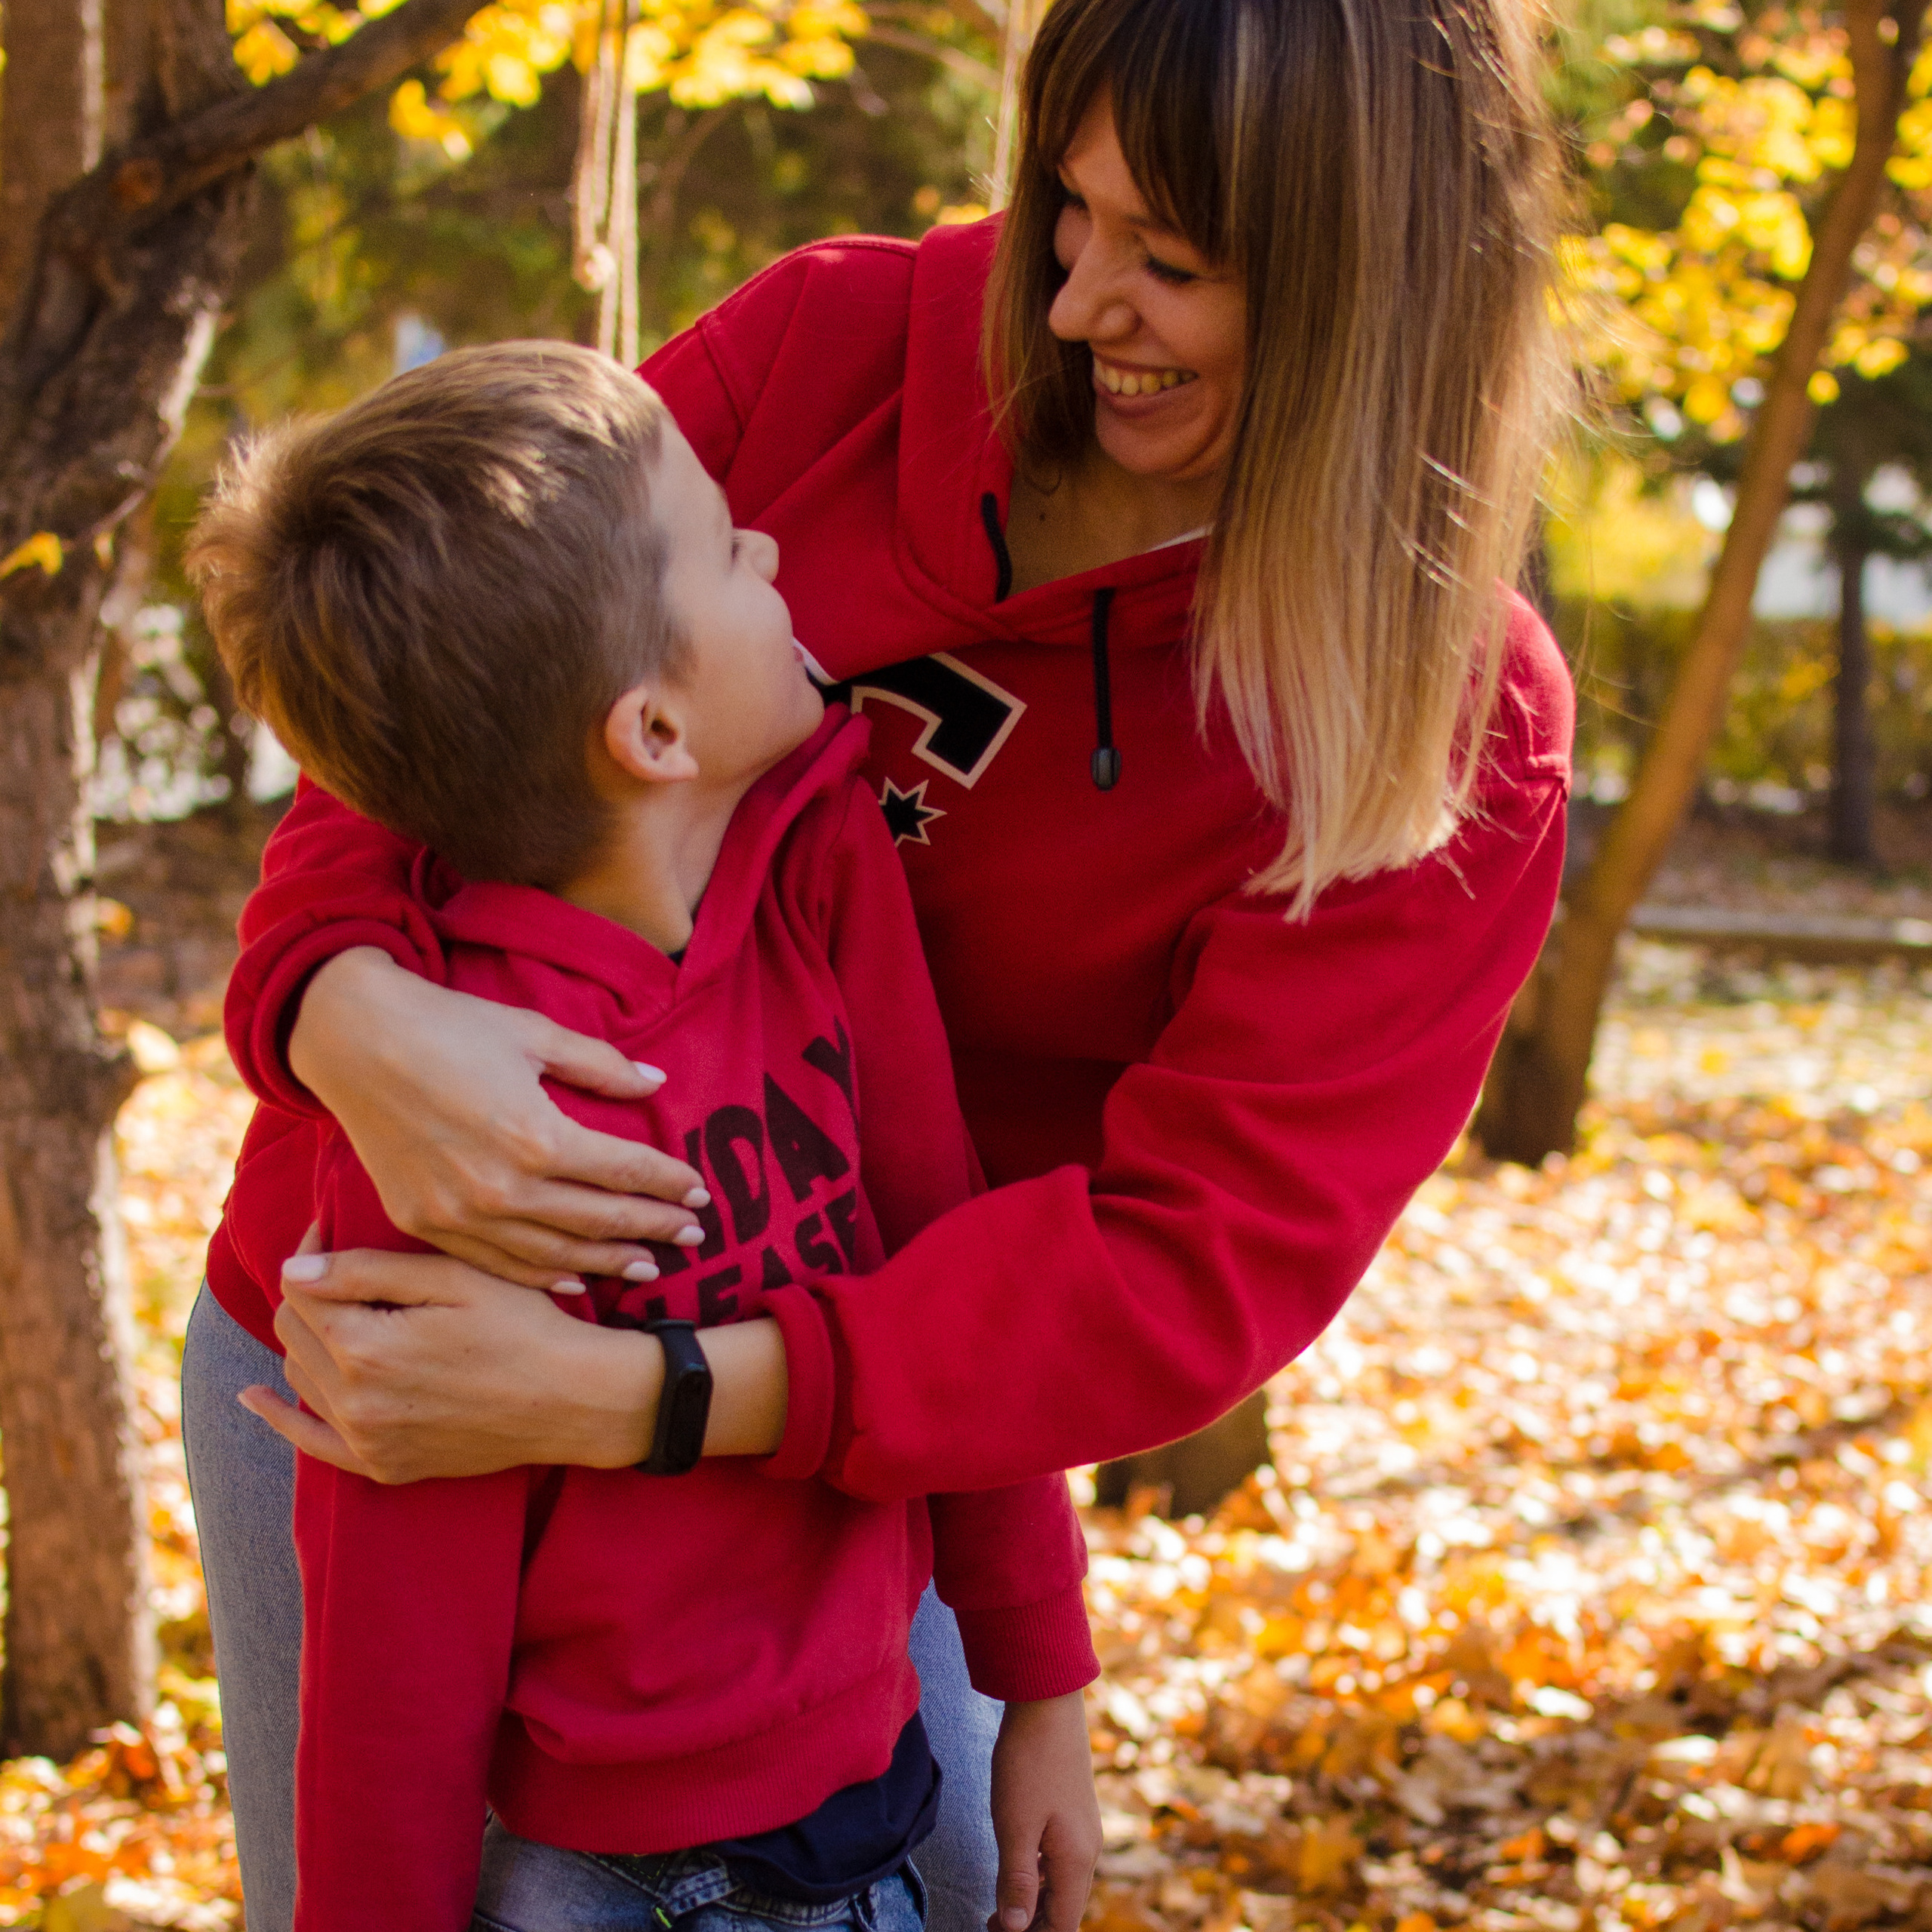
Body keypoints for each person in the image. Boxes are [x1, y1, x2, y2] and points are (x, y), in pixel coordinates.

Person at [182, 0, 1577, 1924]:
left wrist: (1024, 1658)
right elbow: (425, 686)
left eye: (1171, 259)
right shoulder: (835, 347)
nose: (1075, 301)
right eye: (1068, 205)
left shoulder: (1439, 725)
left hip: (841, 1442)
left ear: (1374, 290)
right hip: (391, 1362)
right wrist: (341, 1010)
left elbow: (1173, 1257)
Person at [185, 341, 1100, 1932]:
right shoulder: (460, 1142)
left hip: (876, 1800)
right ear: (652, 730)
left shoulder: (818, 870)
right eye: (729, 548)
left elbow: (947, 1260)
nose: (775, 552)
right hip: (607, 1888)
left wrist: (1041, 1680)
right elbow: (394, 1675)